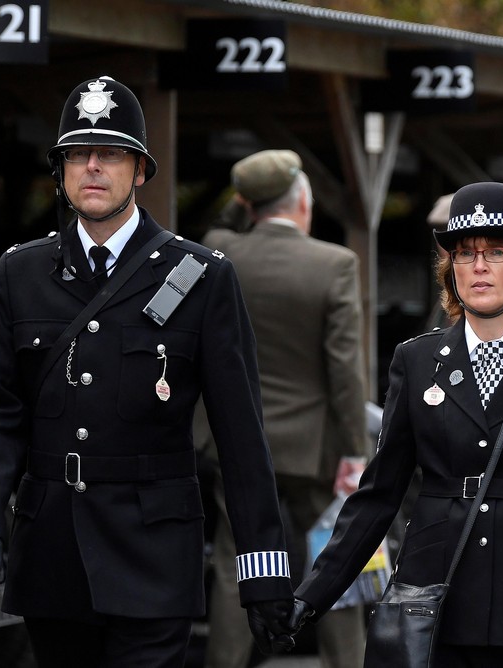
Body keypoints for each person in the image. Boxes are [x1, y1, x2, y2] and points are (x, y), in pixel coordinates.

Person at [0, 76, 293, 667]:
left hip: (153, 553)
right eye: (78, 155)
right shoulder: (21, 274)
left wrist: (263, 574)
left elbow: (241, 438)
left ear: (139, 172)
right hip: (52, 552)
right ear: (60, 172)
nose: (93, 168)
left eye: (110, 153)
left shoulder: (200, 277)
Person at [287, 181, 503, 668]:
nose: (480, 267)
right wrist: (312, 596)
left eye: (497, 251)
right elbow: (380, 494)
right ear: (450, 270)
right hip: (435, 604)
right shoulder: (416, 359)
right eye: (465, 254)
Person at [199, 149, 369, 668]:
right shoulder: (334, 264)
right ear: (302, 203)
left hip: (234, 441)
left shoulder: (219, 251)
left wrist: (244, 199)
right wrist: (355, 452)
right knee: (332, 560)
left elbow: (222, 222)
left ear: (248, 204)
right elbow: (345, 370)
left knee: (235, 563)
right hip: (310, 446)